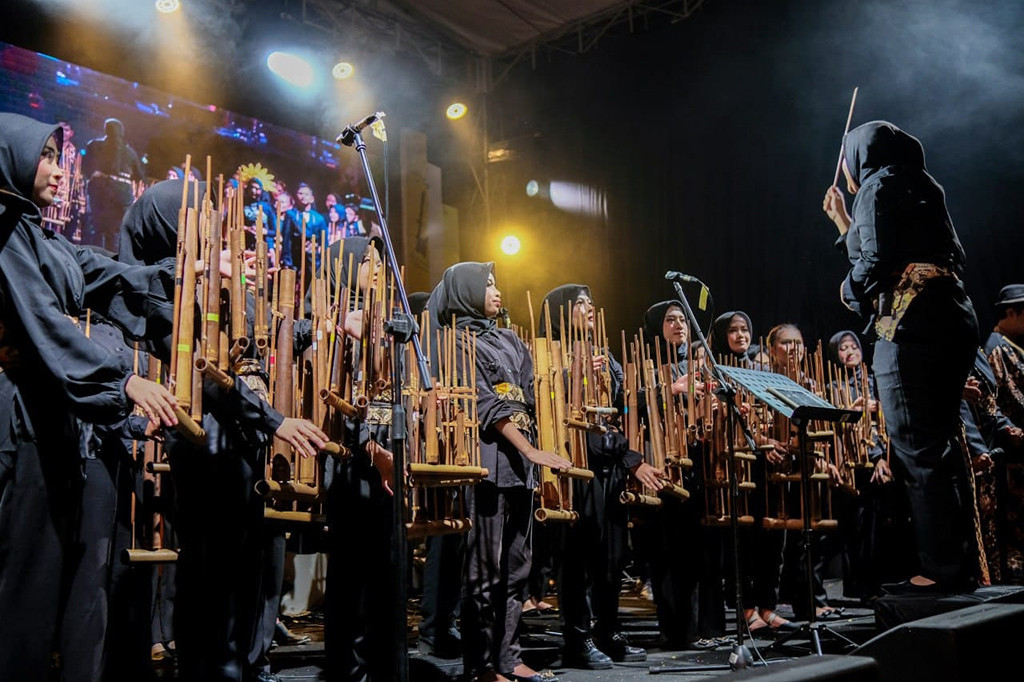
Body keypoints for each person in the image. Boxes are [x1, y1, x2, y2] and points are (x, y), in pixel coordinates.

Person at [117, 178, 329, 682]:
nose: (217, 222)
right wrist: (274, 420)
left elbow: (264, 351)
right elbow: (208, 384)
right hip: (206, 444)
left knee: (246, 582)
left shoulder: (225, 289)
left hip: (245, 444)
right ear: (173, 224)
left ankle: (243, 669)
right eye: (202, 213)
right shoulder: (165, 291)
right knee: (210, 584)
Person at [0, 112, 181, 682]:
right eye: (46, 156)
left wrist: (184, 270)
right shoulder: (4, 233)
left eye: (59, 155)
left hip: (51, 424)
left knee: (48, 580)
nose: (59, 169)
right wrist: (124, 381)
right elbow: (46, 326)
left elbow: (111, 274)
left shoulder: (42, 237)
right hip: (16, 423)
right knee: (23, 587)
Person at [823, 119, 980, 593]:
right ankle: (961, 564)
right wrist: (844, 224)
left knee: (916, 448)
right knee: (943, 446)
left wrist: (848, 290)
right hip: (953, 315)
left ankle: (939, 571)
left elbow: (873, 263)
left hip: (911, 324)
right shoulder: (924, 183)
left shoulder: (875, 184)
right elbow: (908, 248)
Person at [429, 262, 572, 682]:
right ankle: (481, 665)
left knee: (517, 568)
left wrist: (538, 457)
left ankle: (508, 657)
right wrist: (531, 449)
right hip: (486, 465)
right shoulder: (453, 341)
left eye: (495, 283)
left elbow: (530, 398)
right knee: (483, 572)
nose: (496, 290)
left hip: (520, 469)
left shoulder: (510, 339)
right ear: (465, 292)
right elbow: (483, 402)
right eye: (486, 284)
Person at [540, 284, 651, 669]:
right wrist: (575, 373)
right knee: (577, 558)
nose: (590, 308)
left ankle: (609, 630)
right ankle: (577, 637)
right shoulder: (547, 353)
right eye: (581, 303)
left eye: (591, 301)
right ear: (560, 312)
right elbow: (548, 404)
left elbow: (617, 412)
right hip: (575, 467)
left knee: (612, 557)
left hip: (609, 465)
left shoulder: (606, 356)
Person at [708, 311, 797, 635]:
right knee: (745, 540)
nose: (741, 335)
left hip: (767, 462)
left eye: (745, 329)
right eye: (733, 330)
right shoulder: (715, 369)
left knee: (772, 536)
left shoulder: (761, 367)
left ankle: (768, 606)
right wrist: (760, 441)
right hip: (736, 462)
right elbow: (724, 419)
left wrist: (775, 441)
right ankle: (746, 609)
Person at [83, 117, 145, 249]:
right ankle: (113, 262)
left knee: (98, 229)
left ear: (105, 129)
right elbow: (139, 175)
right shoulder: (130, 152)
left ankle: (93, 261)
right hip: (123, 194)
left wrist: (96, 175)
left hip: (101, 192)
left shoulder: (95, 145)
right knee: (116, 233)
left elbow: (86, 168)